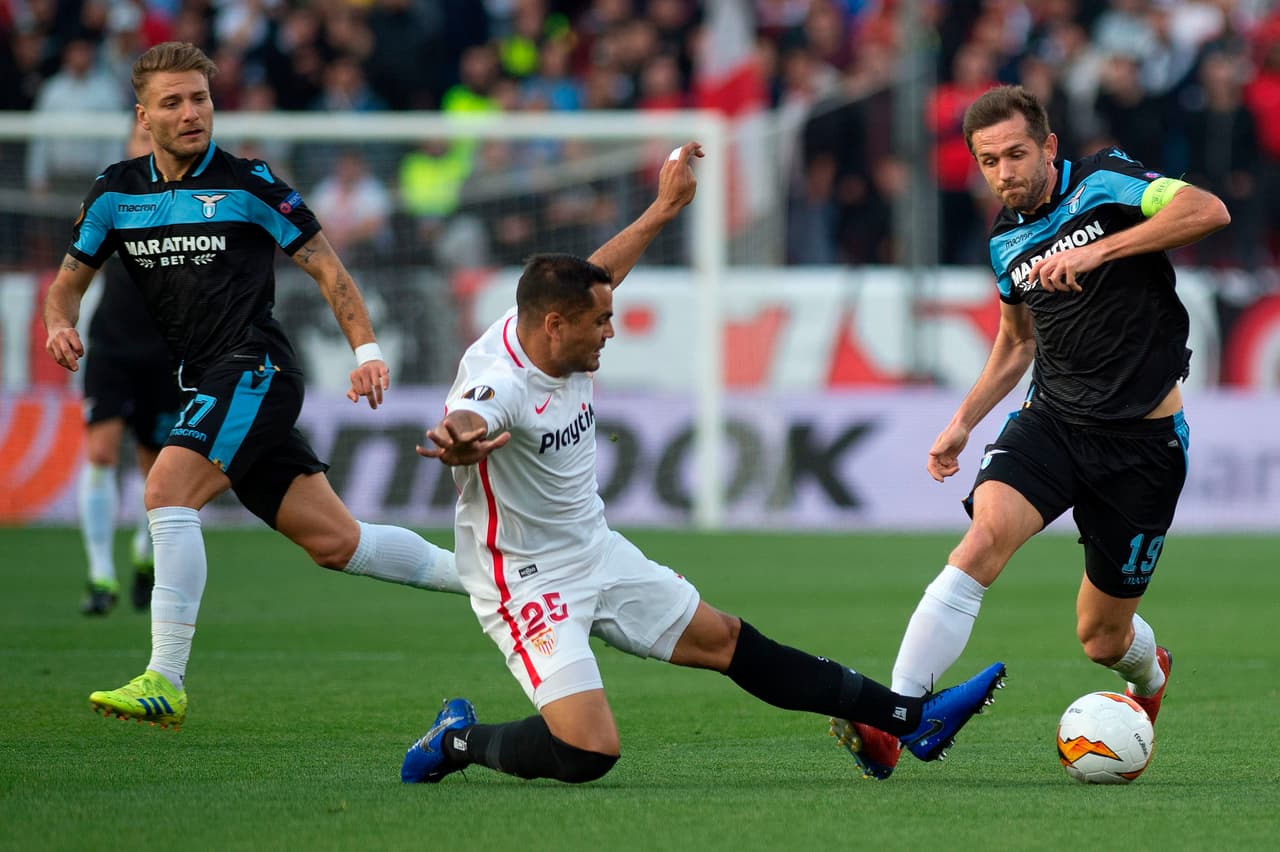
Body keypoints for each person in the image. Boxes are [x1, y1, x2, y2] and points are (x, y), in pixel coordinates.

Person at [400, 142, 1007, 786]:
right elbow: (473, 414)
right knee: (588, 752)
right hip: (527, 583)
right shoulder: (504, 384)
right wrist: (458, 438)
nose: (611, 332)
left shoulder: (548, 320)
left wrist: (664, 209)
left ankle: (908, 719)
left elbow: (599, 271)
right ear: (555, 325)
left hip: (593, 549)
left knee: (728, 641)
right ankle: (456, 740)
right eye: (601, 324)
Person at [43, 42, 465, 731]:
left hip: (255, 370)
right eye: (173, 102)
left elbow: (328, 270)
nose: (191, 113)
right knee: (338, 544)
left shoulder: (251, 183)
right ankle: (498, 583)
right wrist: (60, 325)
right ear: (143, 115)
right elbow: (66, 285)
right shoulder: (114, 192)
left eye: (201, 99)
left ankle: (165, 678)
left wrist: (366, 349)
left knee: (165, 489)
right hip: (205, 379)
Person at [838, 85, 1231, 781]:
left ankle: (1151, 670)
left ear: (1049, 147)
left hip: (1143, 446)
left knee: (1101, 637)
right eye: (988, 161)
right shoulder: (1004, 240)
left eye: (1016, 154)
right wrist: (963, 422)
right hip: (1052, 422)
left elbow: (1208, 209)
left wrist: (1100, 252)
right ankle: (898, 716)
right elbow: (1017, 341)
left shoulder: (1107, 182)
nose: (1004, 172)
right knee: (983, 537)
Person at [77, 120, 183, 616]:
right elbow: (77, 266)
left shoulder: (193, 198)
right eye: (140, 139)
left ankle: (144, 556)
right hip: (112, 343)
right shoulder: (112, 195)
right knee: (99, 451)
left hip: (165, 348)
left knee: (154, 467)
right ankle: (101, 575)